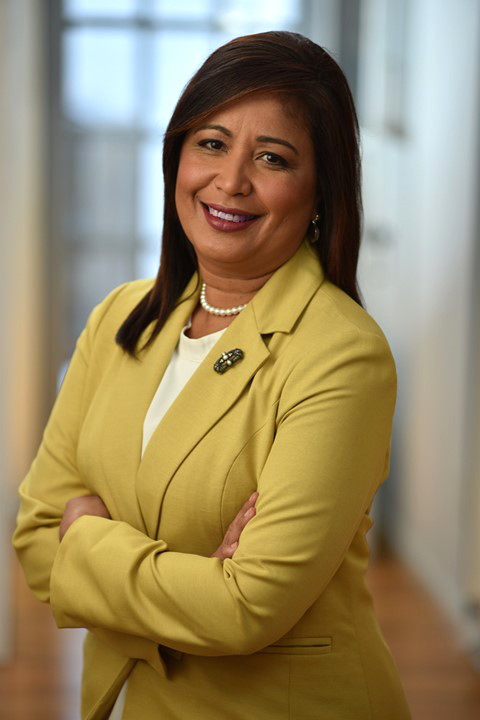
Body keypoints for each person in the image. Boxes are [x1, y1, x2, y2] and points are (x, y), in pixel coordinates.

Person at [13, 30, 411, 720]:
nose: (230, 181)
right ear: (177, 158)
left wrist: (88, 543)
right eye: (211, 143)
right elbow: (36, 539)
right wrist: (194, 579)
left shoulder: (342, 354)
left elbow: (245, 607)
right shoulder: (121, 317)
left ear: (321, 190)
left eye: (272, 157)